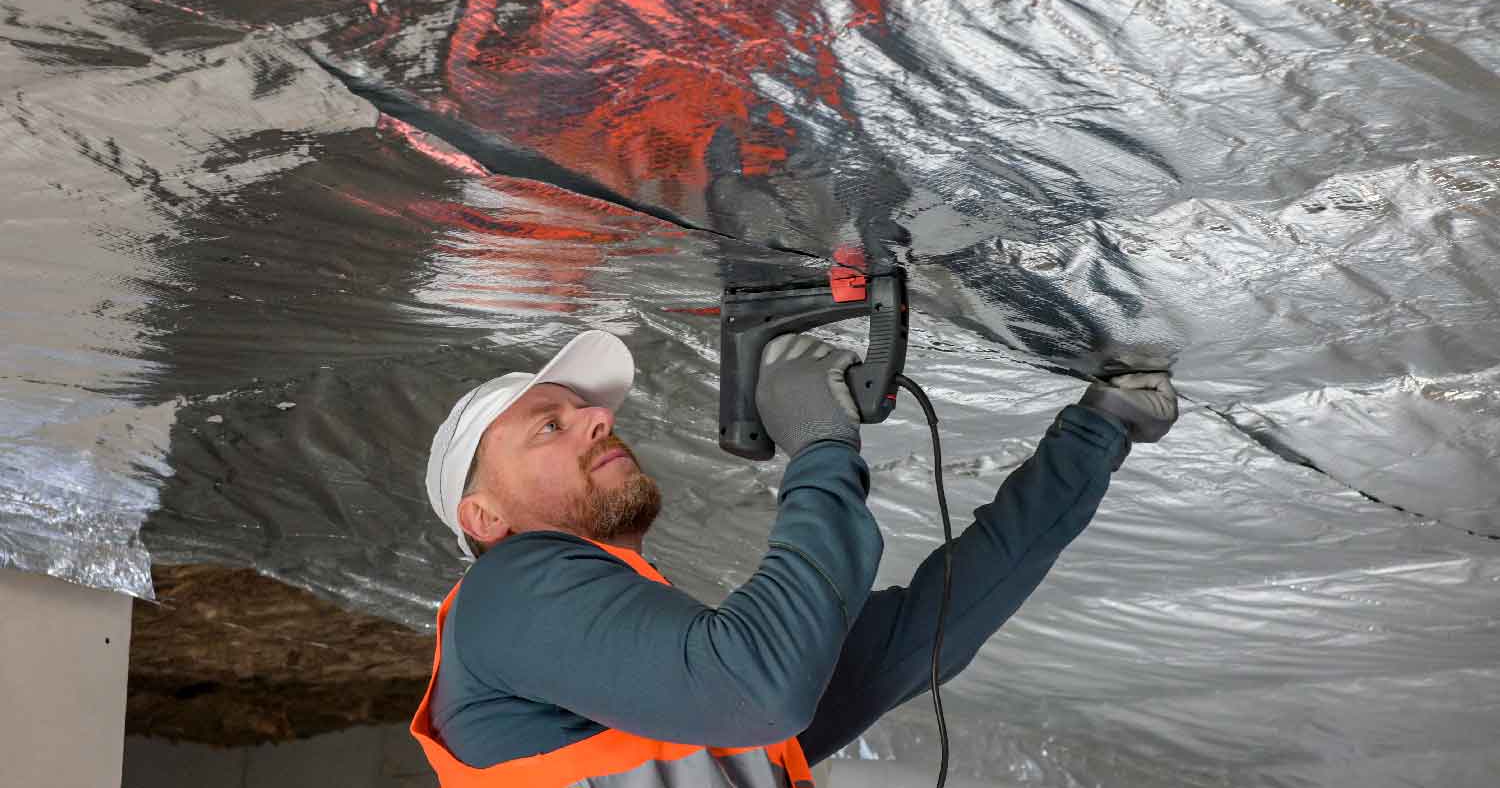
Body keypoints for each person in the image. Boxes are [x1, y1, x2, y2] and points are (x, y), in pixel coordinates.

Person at [411, 328, 1178, 787]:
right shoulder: (499, 599)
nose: (598, 419)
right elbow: (760, 688)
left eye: (588, 409)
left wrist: (1096, 434)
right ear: (485, 520)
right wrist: (819, 445)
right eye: (549, 426)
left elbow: (929, 631)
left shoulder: (682, 717)